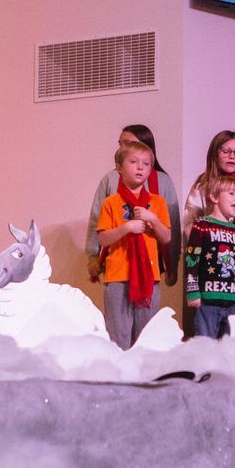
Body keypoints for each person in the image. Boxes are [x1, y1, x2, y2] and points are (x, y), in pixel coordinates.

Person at [94, 137, 174, 349]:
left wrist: (152, 219)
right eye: (134, 162)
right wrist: (126, 228)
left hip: (149, 277)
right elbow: (102, 238)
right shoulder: (111, 202)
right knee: (118, 335)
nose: (140, 167)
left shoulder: (157, 202)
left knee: (145, 337)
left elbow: (166, 237)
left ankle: (142, 378)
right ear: (119, 168)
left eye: (146, 164)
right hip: (118, 276)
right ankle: (120, 378)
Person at [86, 123, 180, 283]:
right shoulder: (110, 179)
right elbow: (97, 219)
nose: (121, 148)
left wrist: (172, 265)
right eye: (120, 143)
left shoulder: (162, 181)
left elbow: (173, 225)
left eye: (128, 143)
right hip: (117, 262)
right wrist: (93, 256)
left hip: (149, 262)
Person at [183, 180, 235, 338]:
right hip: (208, 301)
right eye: (231, 193)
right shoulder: (202, 225)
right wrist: (192, 291)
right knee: (205, 346)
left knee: (232, 349)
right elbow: (192, 259)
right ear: (214, 197)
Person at [185, 130, 235, 228]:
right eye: (226, 152)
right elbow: (189, 224)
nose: (232, 156)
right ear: (215, 154)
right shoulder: (202, 186)